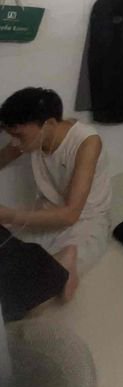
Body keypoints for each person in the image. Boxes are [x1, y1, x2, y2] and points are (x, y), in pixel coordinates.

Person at [0, 87, 111, 302]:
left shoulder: (87, 142)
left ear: (49, 124)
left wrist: (9, 215)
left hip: (86, 219)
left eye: (19, 136)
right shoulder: (31, 138)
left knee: (40, 283)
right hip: (48, 213)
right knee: (11, 255)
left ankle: (67, 262)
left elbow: (71, 215)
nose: (15, 143)